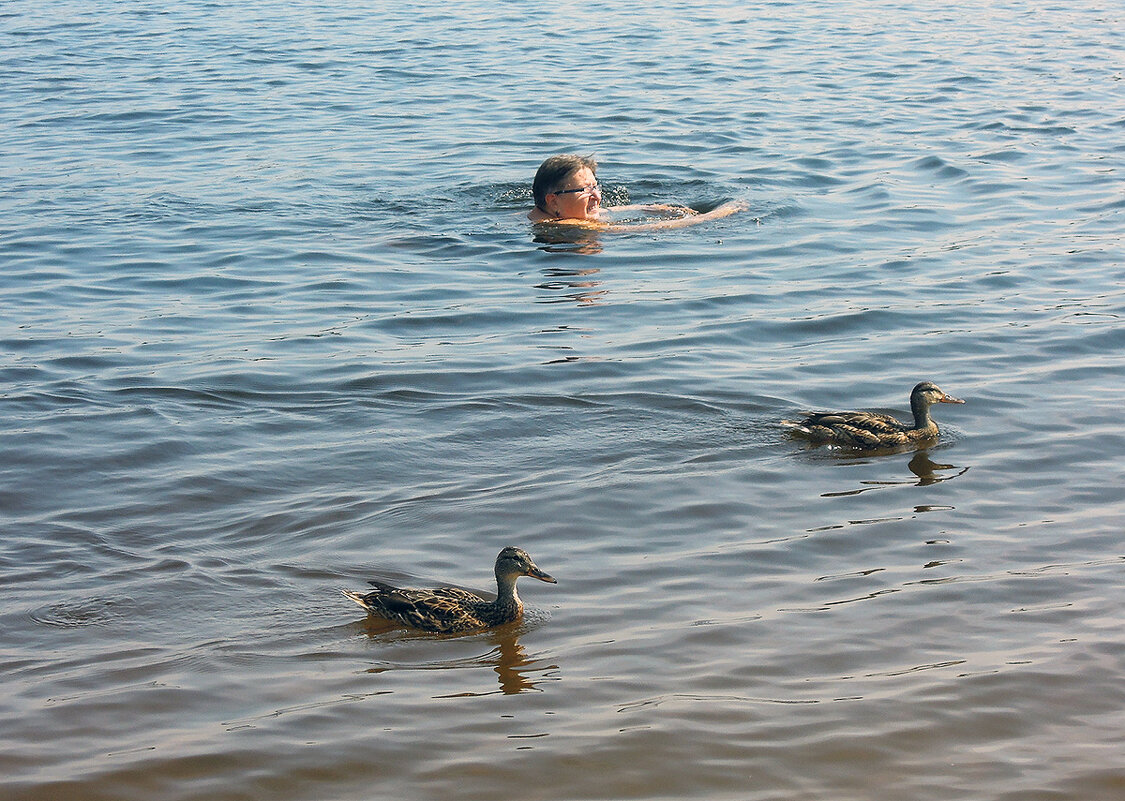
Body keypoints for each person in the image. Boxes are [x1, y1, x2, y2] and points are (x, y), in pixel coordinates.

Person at [528, 154, 745, 231]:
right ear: (553, 202)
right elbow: (649, 229)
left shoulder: (551, 213)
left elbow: (610, 212)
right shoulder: (566, 225)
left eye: (596, 187)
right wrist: (719, 215)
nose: (596, 196)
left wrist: (651, 208)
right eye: (586, 190)